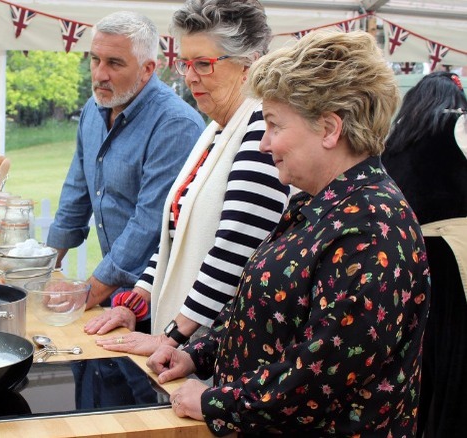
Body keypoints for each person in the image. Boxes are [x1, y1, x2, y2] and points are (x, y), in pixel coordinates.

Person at [146, 30, 430, 437]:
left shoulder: (371, 230)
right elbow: (265, 307)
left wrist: (213, 401)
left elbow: (319, 374)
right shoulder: (316, 204)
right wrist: (196, 355)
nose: (264, 144)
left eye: (274, 126)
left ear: (330, 129)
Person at [86, 0, 290, 354]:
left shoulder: (260, 129)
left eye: (204, 64)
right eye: (186, 63)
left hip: (218, 354)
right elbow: (174, 235)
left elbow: (235, 251)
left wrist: (172, 337)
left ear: (250, 65)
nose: (191, 76)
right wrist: (133, 303)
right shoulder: (216, 130)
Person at [46, 11, 206, 314]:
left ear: (147, 69)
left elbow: (149, 224)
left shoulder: (175, 125)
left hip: (161, 300)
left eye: (114, 63)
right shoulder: (93, 111)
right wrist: (43, 271)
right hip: (112, 290)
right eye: (95, 60)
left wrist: (87, 293)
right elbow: (76, 193)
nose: (99, 74)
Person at [381, 71, 467, 438]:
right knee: (456, 353)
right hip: (455, 254)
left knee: (416, 357)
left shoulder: (395, 139)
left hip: (407, 257)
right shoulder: (458, 127)